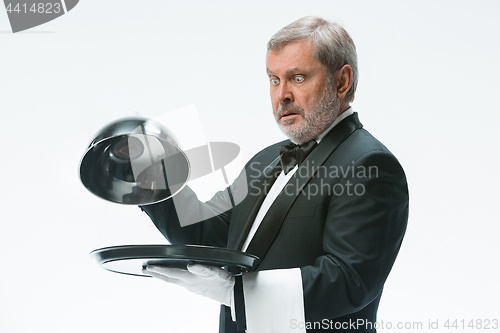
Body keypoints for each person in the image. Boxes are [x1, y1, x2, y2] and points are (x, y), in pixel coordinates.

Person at [140, 16, 409, 333]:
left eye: (297, 78)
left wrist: (236, 293)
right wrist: (154, 179)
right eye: (273, 80)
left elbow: (350, 279)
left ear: (341, 82)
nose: (281, 95)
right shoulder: (266, 158)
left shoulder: (369, 164)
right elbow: (211, 238)